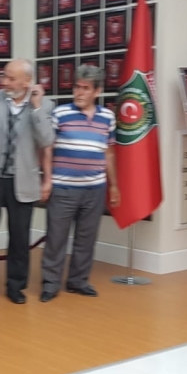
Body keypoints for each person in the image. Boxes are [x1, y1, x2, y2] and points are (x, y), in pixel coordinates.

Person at [0, 59, 54, 306]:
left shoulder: (45, 105)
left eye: (11, 78)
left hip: (23, 180)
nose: (5, 82)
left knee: (19, 238)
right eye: (4, 76)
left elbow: (47, 140)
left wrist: (36, 108)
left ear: (27, 81)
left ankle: (16, 286)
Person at [40, 66, 119, 303]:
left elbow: (109, 153)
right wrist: (47, 180)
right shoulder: (60, 113)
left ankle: (78, 281)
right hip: (63, 187)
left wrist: (114, 185)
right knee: (56, 238)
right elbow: (47, 149)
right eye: (77, 87)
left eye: (86, 88)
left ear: (97, 91)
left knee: (86, 239)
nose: (79, 92)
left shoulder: (108, 117)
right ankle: (50, 283)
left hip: (95, 188)